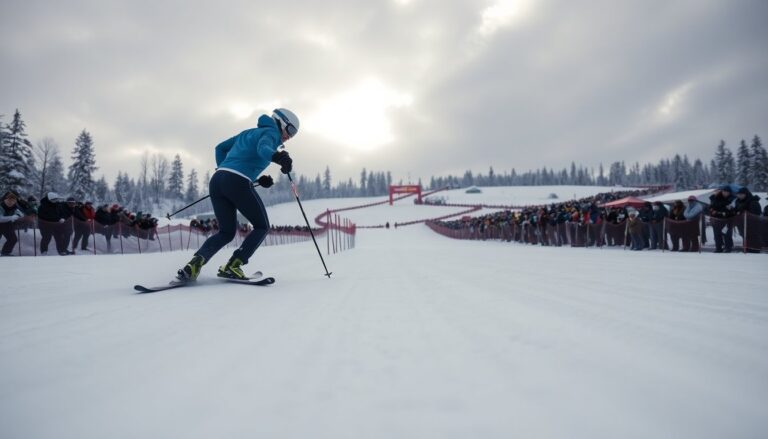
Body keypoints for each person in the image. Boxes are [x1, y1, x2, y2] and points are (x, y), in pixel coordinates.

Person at [176, 108, 299, 281]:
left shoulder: (247, 133)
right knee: (262, 226)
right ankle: (234, 265)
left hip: (217, 181)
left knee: (226, 232)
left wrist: (228, 170)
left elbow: (220, 148)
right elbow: (263, 148)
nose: (290, 137)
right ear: (281, 122)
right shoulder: (271, 133)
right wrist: (278, 157)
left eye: (294, 134)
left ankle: (194, 264)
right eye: (291, 130)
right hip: (237, 182)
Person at [709, 186, 736, 253]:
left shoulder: (732, 199)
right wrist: (713, 211)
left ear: (729, 192)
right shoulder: (716, 198)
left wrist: (721, 211)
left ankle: (728, 248)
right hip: (716, 219)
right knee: (717, 234)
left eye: (726, 192)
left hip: (727, 220)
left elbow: (731, 209)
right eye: (724, 191)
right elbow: (711, 207)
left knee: (727, 234)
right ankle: (718, 248)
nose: (725, 193)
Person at [0, 191, 24, 256]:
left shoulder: (15, 206)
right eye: (9, 200)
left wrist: (18, 215)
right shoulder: (1, 205)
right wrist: (11, 217)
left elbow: (21, 213)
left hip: (7, 224)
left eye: (13, 200)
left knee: (13, 239)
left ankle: (5, 252)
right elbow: (0, 218)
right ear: (6, 199)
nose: (11, 202)